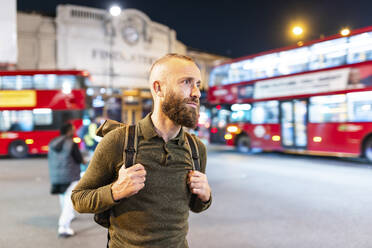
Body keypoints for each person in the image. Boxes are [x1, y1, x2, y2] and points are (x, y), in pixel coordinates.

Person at [71, 54, 212, 247]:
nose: (196, 92)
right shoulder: (118, 141)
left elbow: (196, 206)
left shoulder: (197, 148)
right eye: (186, 82)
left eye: (198, 84)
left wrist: (205, 196)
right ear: (158, 88)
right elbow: (79, 198)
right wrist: (115, 191)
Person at [48, 123, 83, 238]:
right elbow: (78, 159)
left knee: (63, 197)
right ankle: (63, 227)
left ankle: (68, 216)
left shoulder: (53, 142)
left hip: (55, 175)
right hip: (69, 175)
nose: (75, 131)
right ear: (69, 131)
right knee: (70, 200)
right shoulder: (71, 143)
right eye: (73, 129)